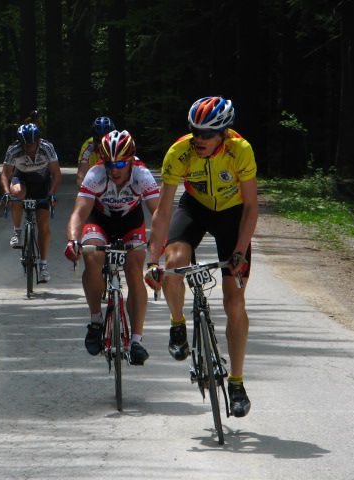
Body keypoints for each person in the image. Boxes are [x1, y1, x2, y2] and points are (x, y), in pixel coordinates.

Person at [145, 96, 258, 417]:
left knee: (234, 301)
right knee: (175, 260)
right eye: (195, 132)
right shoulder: (178, 152)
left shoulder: (241, 151)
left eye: (207, 134)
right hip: (194, 208)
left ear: (224, 133)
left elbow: (251, 207)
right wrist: (154, 261)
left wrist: (239, 251)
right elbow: (163, 210)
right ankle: (177, 323)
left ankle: (236, 382)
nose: (200, 140)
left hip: (233, 214)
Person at [65, 130, 160, 365]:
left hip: (130, 222)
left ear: (130, 161)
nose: (114, 169)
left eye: (119, 163)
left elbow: (159, 214)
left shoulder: (142, 175)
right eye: (109, 163)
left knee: (135, 268)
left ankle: (136, 340)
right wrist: (73, 240)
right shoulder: (96, 174)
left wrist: (158, 250)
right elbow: (79, 213)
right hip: (100, 221)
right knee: (92, 257)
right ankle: (96, 321)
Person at [0, 123, 62, 283]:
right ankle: (18, 231)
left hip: (42, 182)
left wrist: (52, 194)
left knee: (43, 225)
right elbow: (5, 174)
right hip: (22, 179)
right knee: (17, 193)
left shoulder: (47, 147)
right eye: (26, 144)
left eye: (33, 143)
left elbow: (56, 173)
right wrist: (7, 193)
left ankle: (43, 265)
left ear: (38, 141)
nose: (29, 147)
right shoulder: (14, 149)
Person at [75, 116, 115, 188]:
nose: (101, 145)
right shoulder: (87, 146)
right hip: (96, 181)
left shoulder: (118, 146)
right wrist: (84, 193)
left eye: (105, 141)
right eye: (98, 140)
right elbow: (81, 177)